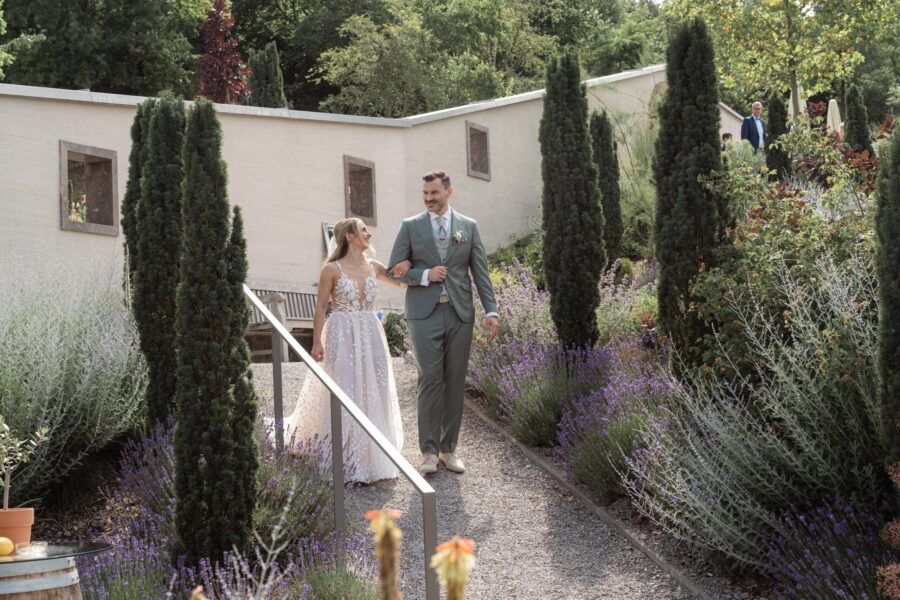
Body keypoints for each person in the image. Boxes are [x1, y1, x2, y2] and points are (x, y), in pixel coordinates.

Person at [388, 170, 499, 476]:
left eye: (433, 193)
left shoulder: (469, 227)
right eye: (424, 194)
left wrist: (492, 311)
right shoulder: (410, 227)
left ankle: (448, 450)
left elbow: (481, 273)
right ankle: (427, 450)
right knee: (430, 378)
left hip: (461, 314)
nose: (428, 199)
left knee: (454, 381)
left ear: (449, 192)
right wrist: (424, 275)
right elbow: (391, 271)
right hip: (423, 315)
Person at [284, 217, 405, 484]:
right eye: (363, 229)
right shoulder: (331, 270)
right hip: (341, 333)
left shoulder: (374, 267)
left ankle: (375, 453)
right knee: (345, 387)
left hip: (371, 333)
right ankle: (344, 453)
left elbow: (402, 282)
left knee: (375, 386)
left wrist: (410, 263)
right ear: (349, 236)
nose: (368, 232)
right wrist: (316, 342)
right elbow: (320, 308)